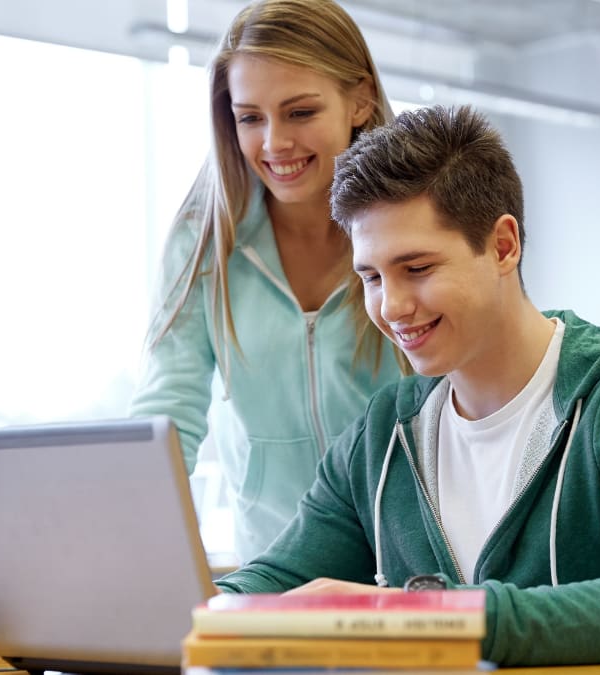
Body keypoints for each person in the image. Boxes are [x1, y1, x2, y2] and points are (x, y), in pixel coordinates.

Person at [215, 105, 600, 666]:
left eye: (417, 269)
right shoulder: (385, 434)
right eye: (371, 277)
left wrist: (419, 618)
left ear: (503, 246)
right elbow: (273, 583)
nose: (391, 307)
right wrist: (202, 613)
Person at [130, 0, 404, 563]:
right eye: (250, 117)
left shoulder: (412, 226)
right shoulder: (204, 239)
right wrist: (139, 552)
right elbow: (168, 411)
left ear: (359, 100)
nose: (274, 143)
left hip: (409, 564)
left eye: (300, 112)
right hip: (273, 565)